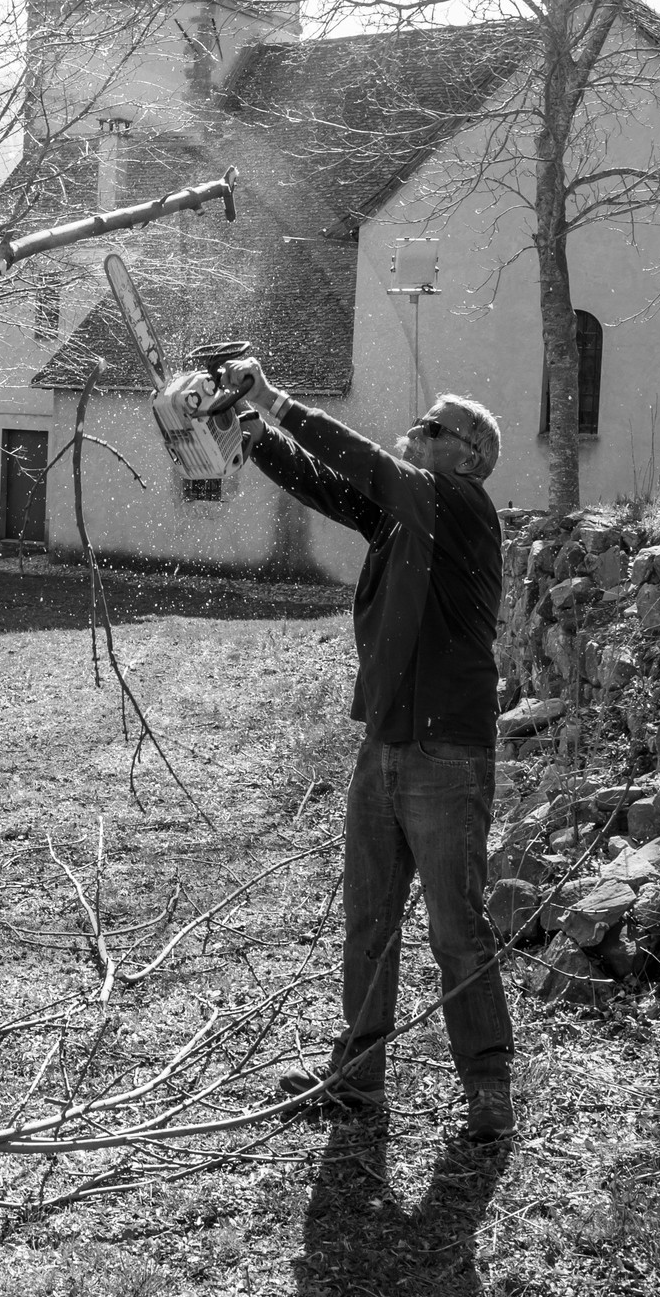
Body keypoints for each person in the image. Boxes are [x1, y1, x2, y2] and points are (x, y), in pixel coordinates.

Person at [220, 355, 514, 1143]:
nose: (414, 432)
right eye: (419, 426)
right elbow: (330, 485)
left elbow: (367, 465)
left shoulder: (458, 506)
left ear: (468, 456)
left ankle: (488, 1089)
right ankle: (357, 1079)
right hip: (384, 743)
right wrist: (246, 426)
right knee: (369, 918)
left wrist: (276, 397)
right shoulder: (403, 513)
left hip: (446, 754)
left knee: (457, 927)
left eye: (432, 428)